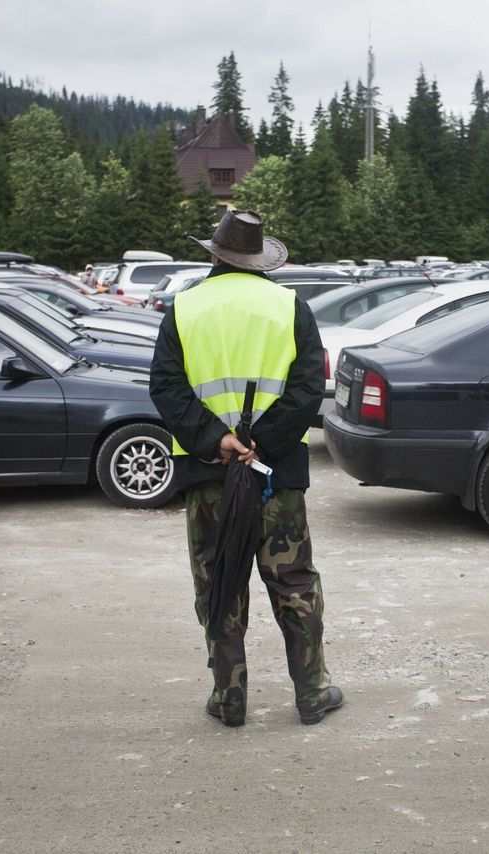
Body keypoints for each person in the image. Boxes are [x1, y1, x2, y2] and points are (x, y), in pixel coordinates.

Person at [149, 209, 343, 728]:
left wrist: (220, 440)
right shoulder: (289, 306)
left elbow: (166, 389)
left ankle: (229, 697)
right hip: (275, 477)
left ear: (213, 254)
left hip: (208, 474)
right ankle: (312, 692)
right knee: (294, 584)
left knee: (219, 584)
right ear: (259, 260)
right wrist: (262, 441)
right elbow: (307, 388)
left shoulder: (184, 308)